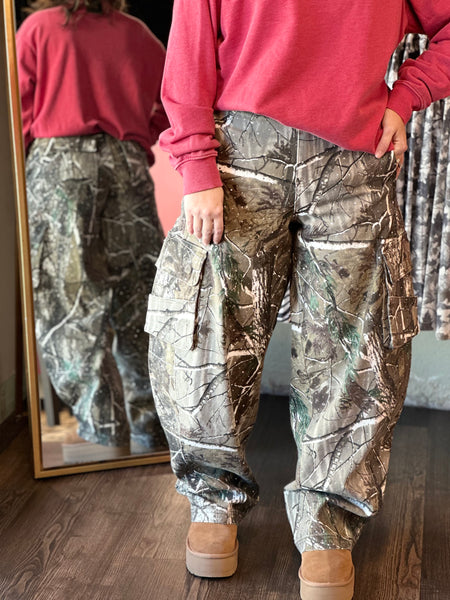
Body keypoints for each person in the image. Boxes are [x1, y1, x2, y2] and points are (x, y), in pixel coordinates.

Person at [145, 2, 450, 598]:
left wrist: (408, 94)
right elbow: (189, 44)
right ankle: (212, 500)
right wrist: (197, 164)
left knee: (355, 345)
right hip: (239, 153)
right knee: (207, 329)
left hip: (353, 156)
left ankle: (327, 524)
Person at [16, 0, 170, 461]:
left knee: (68, 304)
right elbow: (173, 98)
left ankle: (103, 433)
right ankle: (151, 430)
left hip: (59, 166)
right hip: (125, 165)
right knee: (138, 299)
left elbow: (15, 108)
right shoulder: (137, 33)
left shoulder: (39, 28)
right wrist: (139, 134)